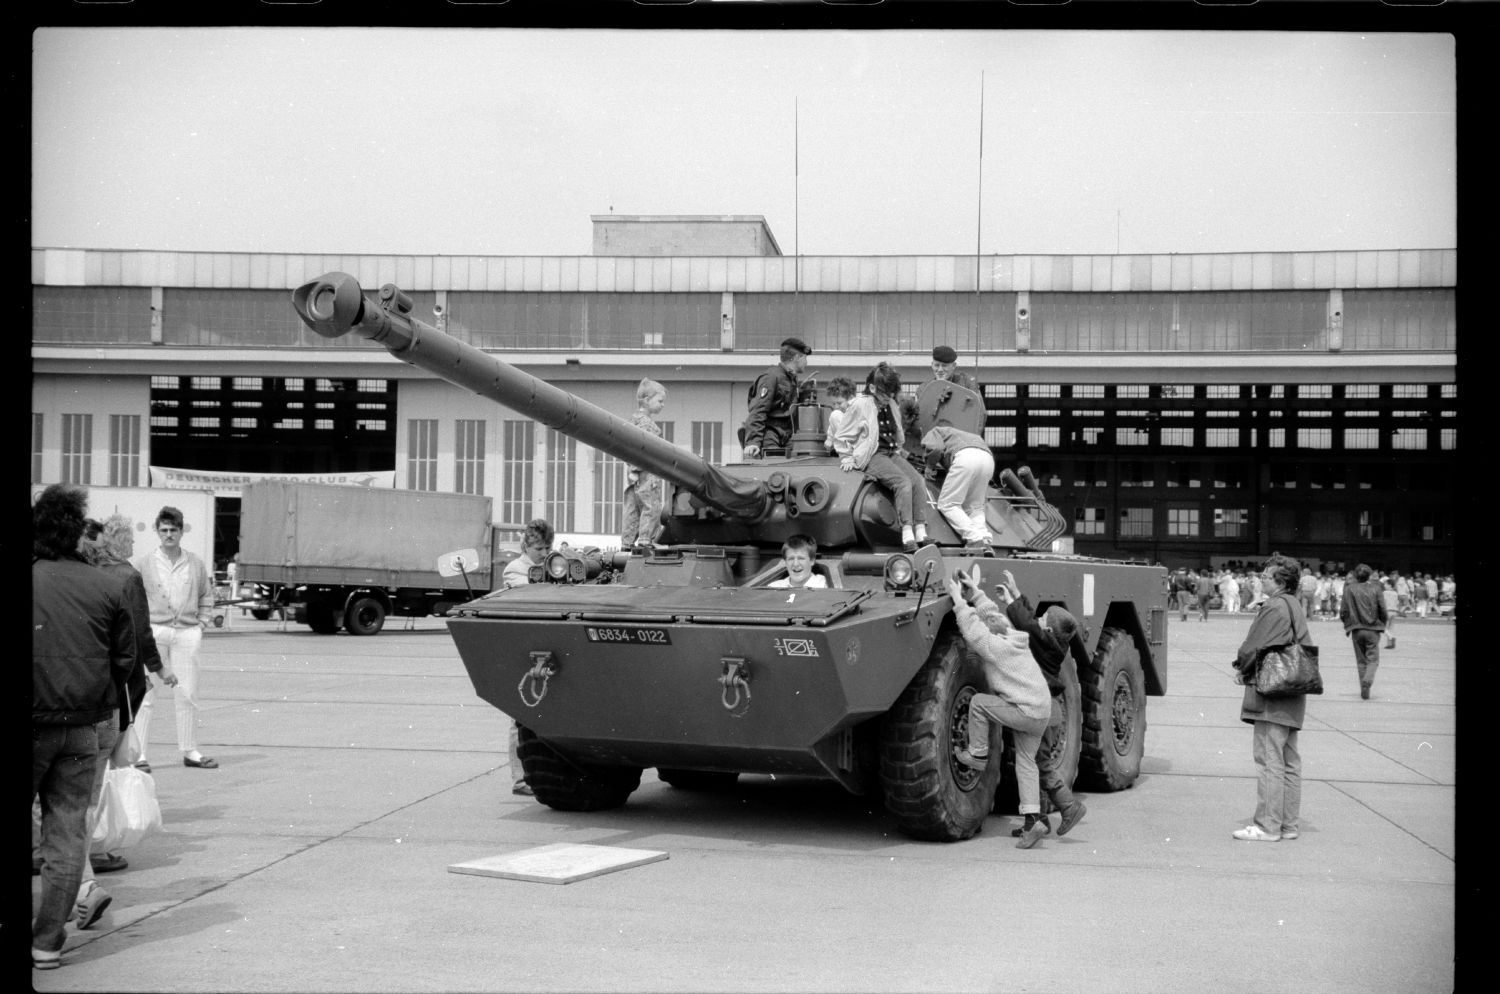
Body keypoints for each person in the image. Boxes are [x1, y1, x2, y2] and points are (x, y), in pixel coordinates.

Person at [32, 485, 137, 969]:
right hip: (83, 726)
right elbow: (126, 661)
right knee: (68, 835)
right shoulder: (108, 586)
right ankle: (48, 943)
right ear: (77, 533)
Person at [73, 514, 179, 928]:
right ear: (114, 540)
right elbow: (135, 636)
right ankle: (92, 856)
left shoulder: (85, 573)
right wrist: (146, 677)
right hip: (108, 697)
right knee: (92, 787)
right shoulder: (125, 577)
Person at [945, 567, 1053, 849]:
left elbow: (974, 633)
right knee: (1026, 763)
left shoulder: (996, 648)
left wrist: (958, 600)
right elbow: (994, 618)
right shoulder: (1015, 637)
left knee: (979, 704)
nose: (989, 623)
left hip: (1025, 711)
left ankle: (978, 754)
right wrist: (976, 595)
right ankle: (1033, 821)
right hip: (1040, 711)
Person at [993, 569, 1088, 841]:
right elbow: (1032, 619)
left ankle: (1069, 808)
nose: (1039, 617)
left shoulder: (1043, 641)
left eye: (1044, 619)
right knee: (1034, 762)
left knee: (1038, 763)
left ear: (1047, 630)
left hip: (1041, 709)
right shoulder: (1054, 643)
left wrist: (1012, 596)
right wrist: (1015, 592)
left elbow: (1025, 622)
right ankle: (1039, 820)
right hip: (1049, 709)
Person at [1231, 553, 1313, 842]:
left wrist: (1241, 668)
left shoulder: (1274, 607)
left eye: (1266, 576)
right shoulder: (1293, 605)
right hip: (1292, 693)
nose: (1261, 578)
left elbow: (1252, 647)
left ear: (1280, 581)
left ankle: (1267, 825)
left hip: (1271, 693)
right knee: (1289, 760)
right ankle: (1288, 825)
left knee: (1268, 759)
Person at [134, 505, 218, 770]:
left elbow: (206, 594)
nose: (168, 534)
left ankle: (190, 750)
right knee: (147, 694)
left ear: (182, 531)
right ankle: (139, 755)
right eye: (164, 530)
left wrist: (201, 624)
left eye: (173, 530)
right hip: (155, 632)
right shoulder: (145, 563)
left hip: (186, 632)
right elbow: (136, 600)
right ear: (157, 532)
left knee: (187, 692)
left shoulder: (194, 563)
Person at [847, 363, 931, 553]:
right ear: (873, 388)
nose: (889, 398)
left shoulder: (890, 404)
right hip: (872, 455)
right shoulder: (860, 405)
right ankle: (907, 534)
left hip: (891, 453)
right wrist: (848, 456)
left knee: (918, 481)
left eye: (891, 394)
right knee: (902, 483)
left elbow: (895, 435)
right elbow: (843, 433)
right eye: (885, 394)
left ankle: (920, 530)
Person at [499, 518, 555, 795]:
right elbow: (529, 592)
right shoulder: (515, 570)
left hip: (543, 645)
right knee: (519, 716)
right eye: (540, 549)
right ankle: (520, 779)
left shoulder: (547, 567)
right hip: (521, 648)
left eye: (547, 549)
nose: (544, 555)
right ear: (526, 546)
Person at [920, 423, 995, 552]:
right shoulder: (958, 434)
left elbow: (935, 448)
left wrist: (930, 465)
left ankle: (974, 539)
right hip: (987, 459)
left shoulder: (933, 432)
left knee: (948, 504)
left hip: (965, 458)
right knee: (975, 506)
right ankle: (985, 541)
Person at [740, 336, 811, 459]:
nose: (806, 362)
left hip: (787, 434)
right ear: (796, 358)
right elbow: (758, 410)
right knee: (773, 467)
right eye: (805, 358)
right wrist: (753, 442)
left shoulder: (791, 380)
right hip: (770, 433)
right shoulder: (771, 377)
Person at [621, 377, 667, 548]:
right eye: (660, 400)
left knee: (632, 507)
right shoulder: (647, 425)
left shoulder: (633, 421)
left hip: (634, 473)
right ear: (647, 400)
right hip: (646, 471)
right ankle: (648, 540)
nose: (662, 405)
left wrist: (632, 469)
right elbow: (642, 449)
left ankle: (627, 542)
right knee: (651, 505)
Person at [1339, 562, 1388, 701]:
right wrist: (1382, 624)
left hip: (1356, 628)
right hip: (1373, 628)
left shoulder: (1349, 589)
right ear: (1369, 575)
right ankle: (1368, 680)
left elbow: (1343, 610)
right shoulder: (1376, 588)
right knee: (1373, 660)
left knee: (1361, 661)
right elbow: (1383, 609)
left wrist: (1348, 624)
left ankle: (1364, 689)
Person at [1380, 577, 1400, 649]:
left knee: (1382, 627)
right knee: (1390, 628)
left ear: (1390, 585)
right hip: (1394, 611)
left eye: (1386, 584)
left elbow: (1382, 602)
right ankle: (1389, 644)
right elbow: (1397, 603)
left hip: (1387, 611)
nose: (1384, 586)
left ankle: (1391, 637)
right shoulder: (1395, 593)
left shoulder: (1384, 593)